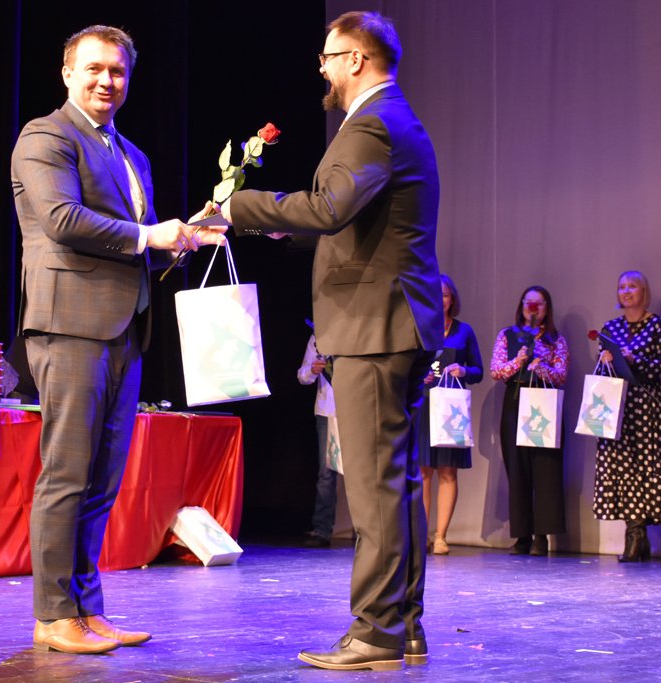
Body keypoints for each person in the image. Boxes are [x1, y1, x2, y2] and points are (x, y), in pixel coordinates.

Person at [221, 10, 442, 672]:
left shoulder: (372, 123)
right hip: (390, 320)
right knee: (394, 483)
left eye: (327, 56)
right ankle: (402, 626)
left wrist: (238, 208)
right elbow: (352, 221)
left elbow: (329, 208)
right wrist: (289, 228)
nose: (320, 67)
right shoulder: (393, 119)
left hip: (376, 326)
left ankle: (375, 630)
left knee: (374, 488)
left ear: (356, 60)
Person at [11, 25, 224, 654]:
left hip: (126, 327)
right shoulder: (45, 136)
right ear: (68, 73)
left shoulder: (133, 155)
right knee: (67, 475)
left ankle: (87, 609)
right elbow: (62, 219)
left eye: (118, 72)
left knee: (102, 480)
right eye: (95, 69)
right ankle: (54, 616)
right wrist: (148, 236)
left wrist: (185, 239)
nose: (108, 81)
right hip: (70, 324)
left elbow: (141, 247)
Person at [593, 271, 661, 562]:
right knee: (621, 468)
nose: (626, 291)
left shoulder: (657, 324)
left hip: (646, 407)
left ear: (644, 291)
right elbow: (602, 371)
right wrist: (604, 360)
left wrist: (634, 359)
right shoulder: (610, 327)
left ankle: (637, 536)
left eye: (632, 286)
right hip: (617, 405)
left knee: (644, 467)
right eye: (622, 287)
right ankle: (635, 534)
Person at [489, 286, 568, 556]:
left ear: (547, 307)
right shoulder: (507, 335)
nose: (533, 308)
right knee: (518, 467)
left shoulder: (556, 339)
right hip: (515, 401)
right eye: (528, 302)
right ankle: (522, 535)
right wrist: (518, 361)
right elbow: (496, 371)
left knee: (544, 469)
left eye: (539, 303)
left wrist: (542, 368)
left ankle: (542, 536)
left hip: (543, 402)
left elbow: (562, 374)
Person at [414, 274, 482, 556]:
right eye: (435, 294)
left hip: (451, 409)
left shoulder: (464, 331)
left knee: (447, 471)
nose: (440, 299)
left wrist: (463, 370)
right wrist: (421, 376)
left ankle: (441, 536)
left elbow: (478, 370)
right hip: (425, 405)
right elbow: (408, 366)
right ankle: (422, 534)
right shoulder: (420, 328)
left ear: (452, 299)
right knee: (423, 471)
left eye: (444, 294)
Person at [297, 333, 338, 548]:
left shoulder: (356, 331)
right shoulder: (318, 337)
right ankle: (322, 530)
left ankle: (366, 531)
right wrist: (312, 370)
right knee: (326, 474)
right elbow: (302, 376)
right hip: (326, 412)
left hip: (356, 411)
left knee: (360, 474)